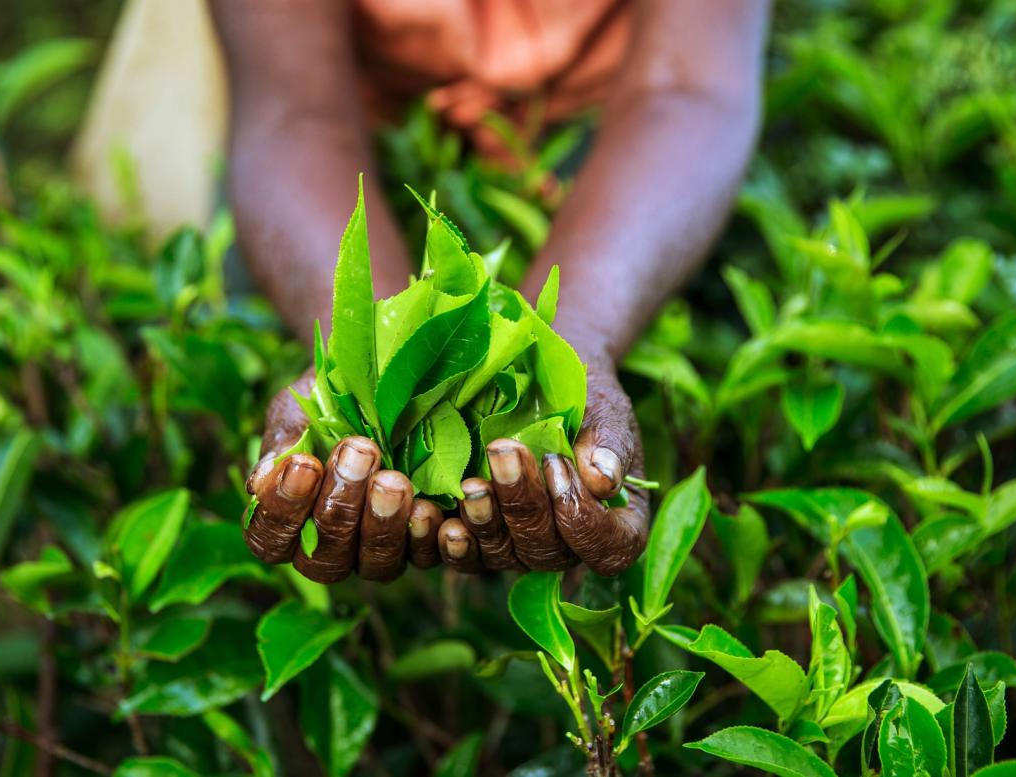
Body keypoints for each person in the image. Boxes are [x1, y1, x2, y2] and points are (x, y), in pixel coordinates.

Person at [209, 0, 770, 583]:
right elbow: (294, 112)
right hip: (358, 133)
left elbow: (687, 88)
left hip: (617, 127)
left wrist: (574, 340)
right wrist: (365, 349)